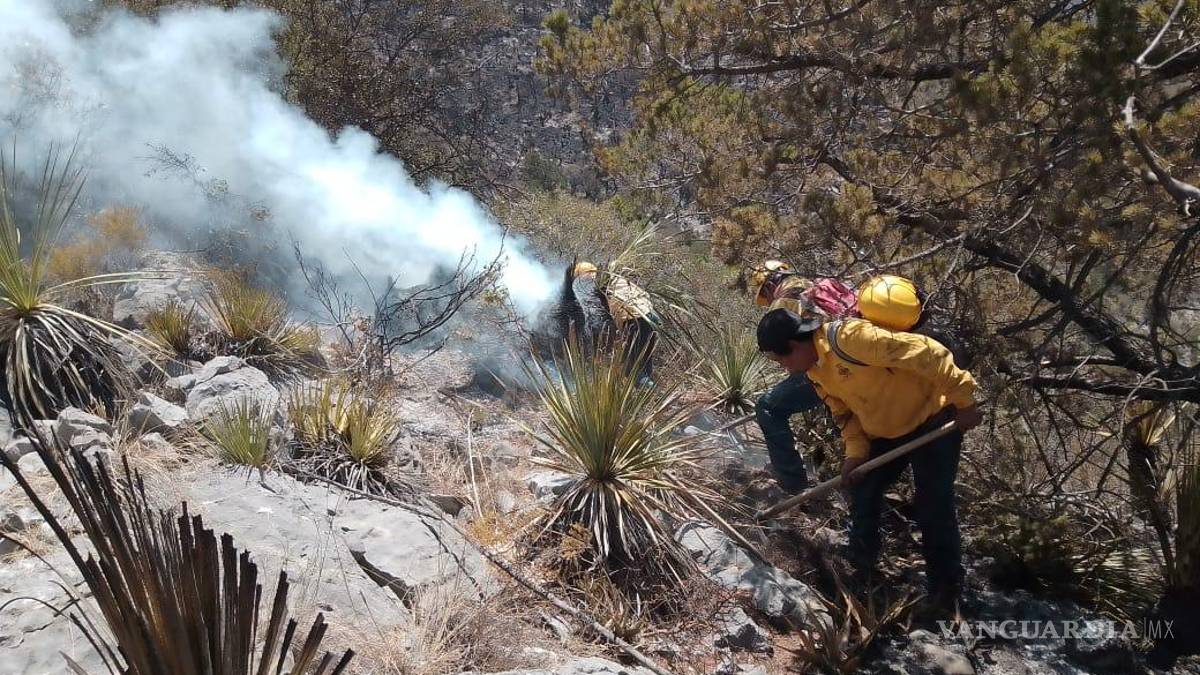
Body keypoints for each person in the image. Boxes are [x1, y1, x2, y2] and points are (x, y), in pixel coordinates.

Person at [755, 307, 983, 613]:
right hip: (887, 434)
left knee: (933, 504)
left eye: (781, 360)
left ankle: (945, 591)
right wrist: (856, 454)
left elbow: (928, 352)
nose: (784, 368)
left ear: (795, 345)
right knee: (863, 489)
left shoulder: (851, 339)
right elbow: (844, 414)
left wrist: (965, 401)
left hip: (933, 421)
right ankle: (861, 565)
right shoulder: (814, 371)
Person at [747, 260, 858, 492]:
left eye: (764, 295)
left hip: (822, 368)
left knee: (768, 407)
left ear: (768, 286)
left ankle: (792, 482)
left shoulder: (782, 303)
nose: (767, 300)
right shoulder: (815, 284)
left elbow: (786, 355)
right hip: (849, 358)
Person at [574, 261, 660, 385]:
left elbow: (601, 319)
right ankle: (651, 393)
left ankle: (648, 388)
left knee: (630, 369)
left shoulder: (597, 286)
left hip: (636, 321)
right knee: (644, 363)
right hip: (650, 316)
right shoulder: (615, 278)